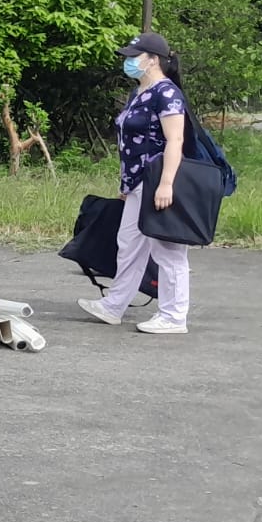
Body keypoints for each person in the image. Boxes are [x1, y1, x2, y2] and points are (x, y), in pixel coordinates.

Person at [78, 32, 191, 334]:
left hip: (157, 180)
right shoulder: (139, 93)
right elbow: (129, 143)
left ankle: (173, 316)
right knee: (129, 244)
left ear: (153, 60)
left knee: (167, 249)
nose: (128, 61)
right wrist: (126, 184)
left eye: (134, 56)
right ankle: (114, 305)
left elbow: (175, 140)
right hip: (136, 183)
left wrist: (166, 183)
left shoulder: (166, 93)